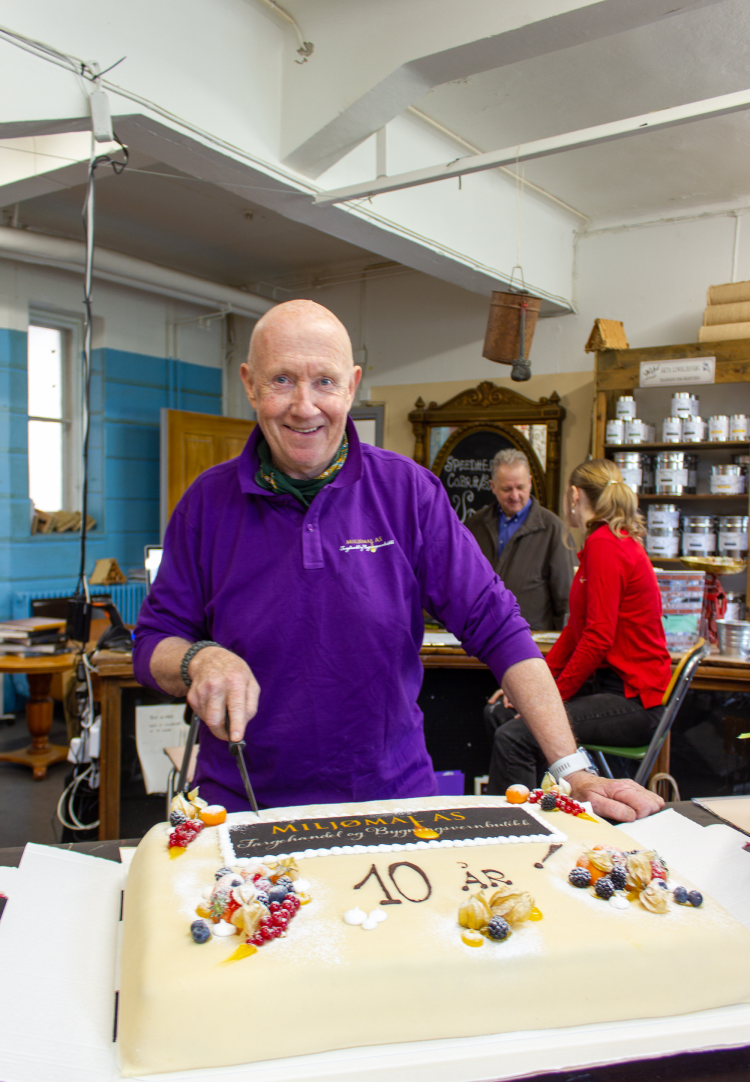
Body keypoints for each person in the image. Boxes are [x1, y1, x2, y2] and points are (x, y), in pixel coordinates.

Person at [133, 301, 662, 822]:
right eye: (281, 380)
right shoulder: (206, 503)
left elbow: (498, 625)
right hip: (243, 806)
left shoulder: (408, 492)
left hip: (390, 802)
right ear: (249, 383)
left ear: (353, 384)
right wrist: (197, 659)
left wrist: (573, 771)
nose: (303, 405)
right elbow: (154, 642)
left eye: (324, 382)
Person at [485, 459, 672, 797]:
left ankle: (521, 828)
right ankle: (548, 804)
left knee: (513, 738)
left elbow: (597, 638)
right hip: (613, 690)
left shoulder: (605, 544)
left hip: (633, 701)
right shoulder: (604, 541)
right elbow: (575, 632)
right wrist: (533, 686)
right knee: (499, 712)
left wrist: (550, 698)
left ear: (574, 495)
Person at [465, 449, 573, 630]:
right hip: (481, 639)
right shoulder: (473, 527)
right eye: (507, 489)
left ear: (530, 483)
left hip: (534, 642)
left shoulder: (553, 529)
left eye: (520, 487)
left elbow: (567, 599)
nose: (515, 496)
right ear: (493, 486)